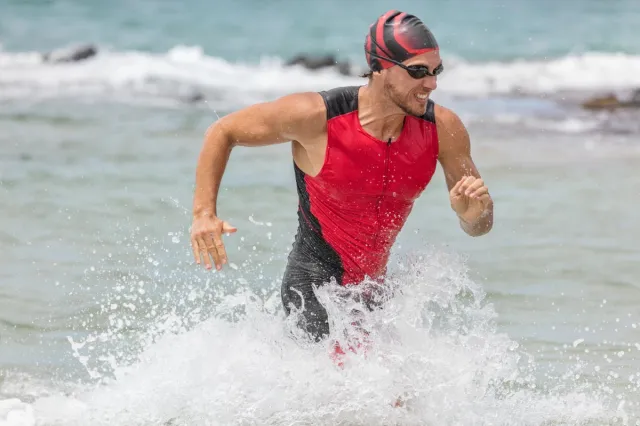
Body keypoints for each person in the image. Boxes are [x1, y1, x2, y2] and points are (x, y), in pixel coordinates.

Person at [190, 10, 494, 343]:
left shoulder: (443, 129)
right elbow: (223, 131)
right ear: (379, 67)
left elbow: (480, 227)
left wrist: (473, 215)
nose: (431, 83)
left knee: (394, 393)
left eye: (436, 71)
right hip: (314, 289)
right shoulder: (317, 116)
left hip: (374, 295)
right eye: (417, 71)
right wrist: (204, 214)